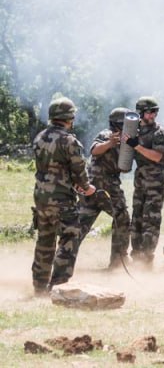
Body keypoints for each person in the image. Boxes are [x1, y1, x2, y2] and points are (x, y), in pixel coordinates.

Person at [31, 97, 95, 295]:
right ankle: (58, 286)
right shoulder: (70, 141)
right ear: (70, 117)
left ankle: (39, 286)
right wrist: (87, 187)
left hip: (41, 198)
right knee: (69, 238)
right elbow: (79, 171)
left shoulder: (40, 137)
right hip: (62, 201)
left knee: (44, 241)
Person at [73, 106, 132, 270]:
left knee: (81, 224)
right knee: (121, 218)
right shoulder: (105, 135)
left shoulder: (126, 140)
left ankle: (62, 259)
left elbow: (125, 167)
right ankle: (119, 261)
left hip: (99, 188)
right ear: (119, 123)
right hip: (100, 188)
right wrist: (111, 143)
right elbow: (94, 150)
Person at [128, 96, 164, 266]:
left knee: (150, 219)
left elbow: (157, 156)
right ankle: (136, 255)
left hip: (156, 180)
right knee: (136, 217)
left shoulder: (159, 133)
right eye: (150, 112)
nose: (153, 115)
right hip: (141, 179)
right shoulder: (134, 131)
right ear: (140, 113)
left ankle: (146, 260)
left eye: (155, 112)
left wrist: (136, 146)